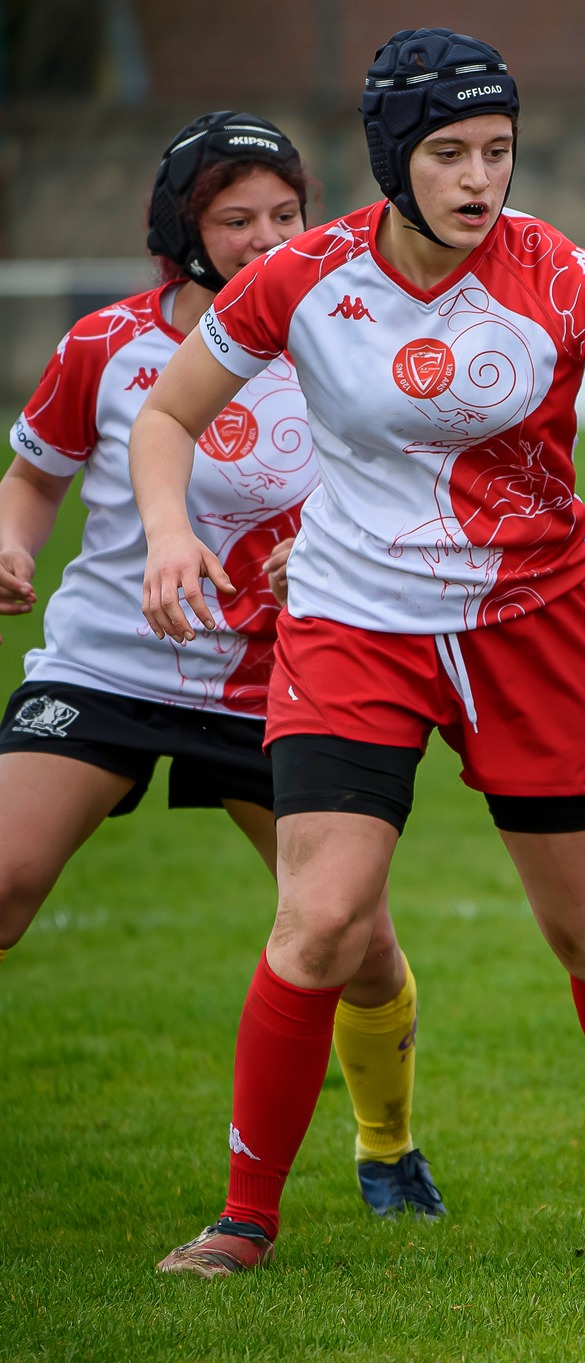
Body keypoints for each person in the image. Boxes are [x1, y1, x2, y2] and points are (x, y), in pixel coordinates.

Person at [129, 30, 585, 1277]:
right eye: (448, 154)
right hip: (350, 626)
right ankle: (243, 1215)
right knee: (317, 922)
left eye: (497, 150)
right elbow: (169, 413)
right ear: (393, 158)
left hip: (538, 629)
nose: (480, 178)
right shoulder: (303, 276)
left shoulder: (567, 276)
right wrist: (169, 531)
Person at [0, 111, 442, 1220]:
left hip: (281, 684)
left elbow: (411, 495)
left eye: (285, 216)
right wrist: (11, 538)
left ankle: (386, 1147)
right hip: (107, 665)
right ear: (181, 231)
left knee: (359, 946)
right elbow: (34, 477)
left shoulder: (346, 342)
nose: (264, 238)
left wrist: (329, 551)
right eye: (235, 220)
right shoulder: (106, 344)